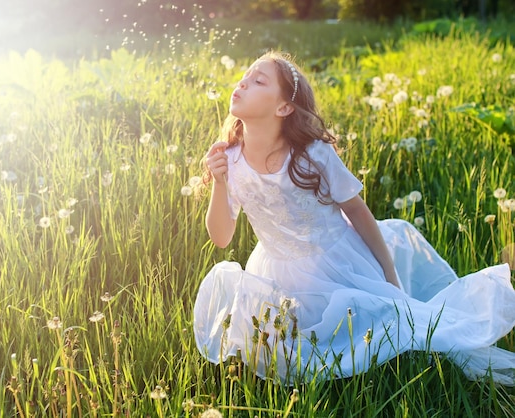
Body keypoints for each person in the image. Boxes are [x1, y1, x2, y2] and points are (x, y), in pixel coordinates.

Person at [193, 51, 515, 385]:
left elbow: (357, 211)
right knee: (294, 354)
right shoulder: (230, 159)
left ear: (284, 108)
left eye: (259, 80)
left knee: (388, 327)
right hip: (276, 271)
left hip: (337, 262)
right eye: (245, 75)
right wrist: (219, 182)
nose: (243, 82)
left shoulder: (312, 155)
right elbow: (221, 238)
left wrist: (389, 275)